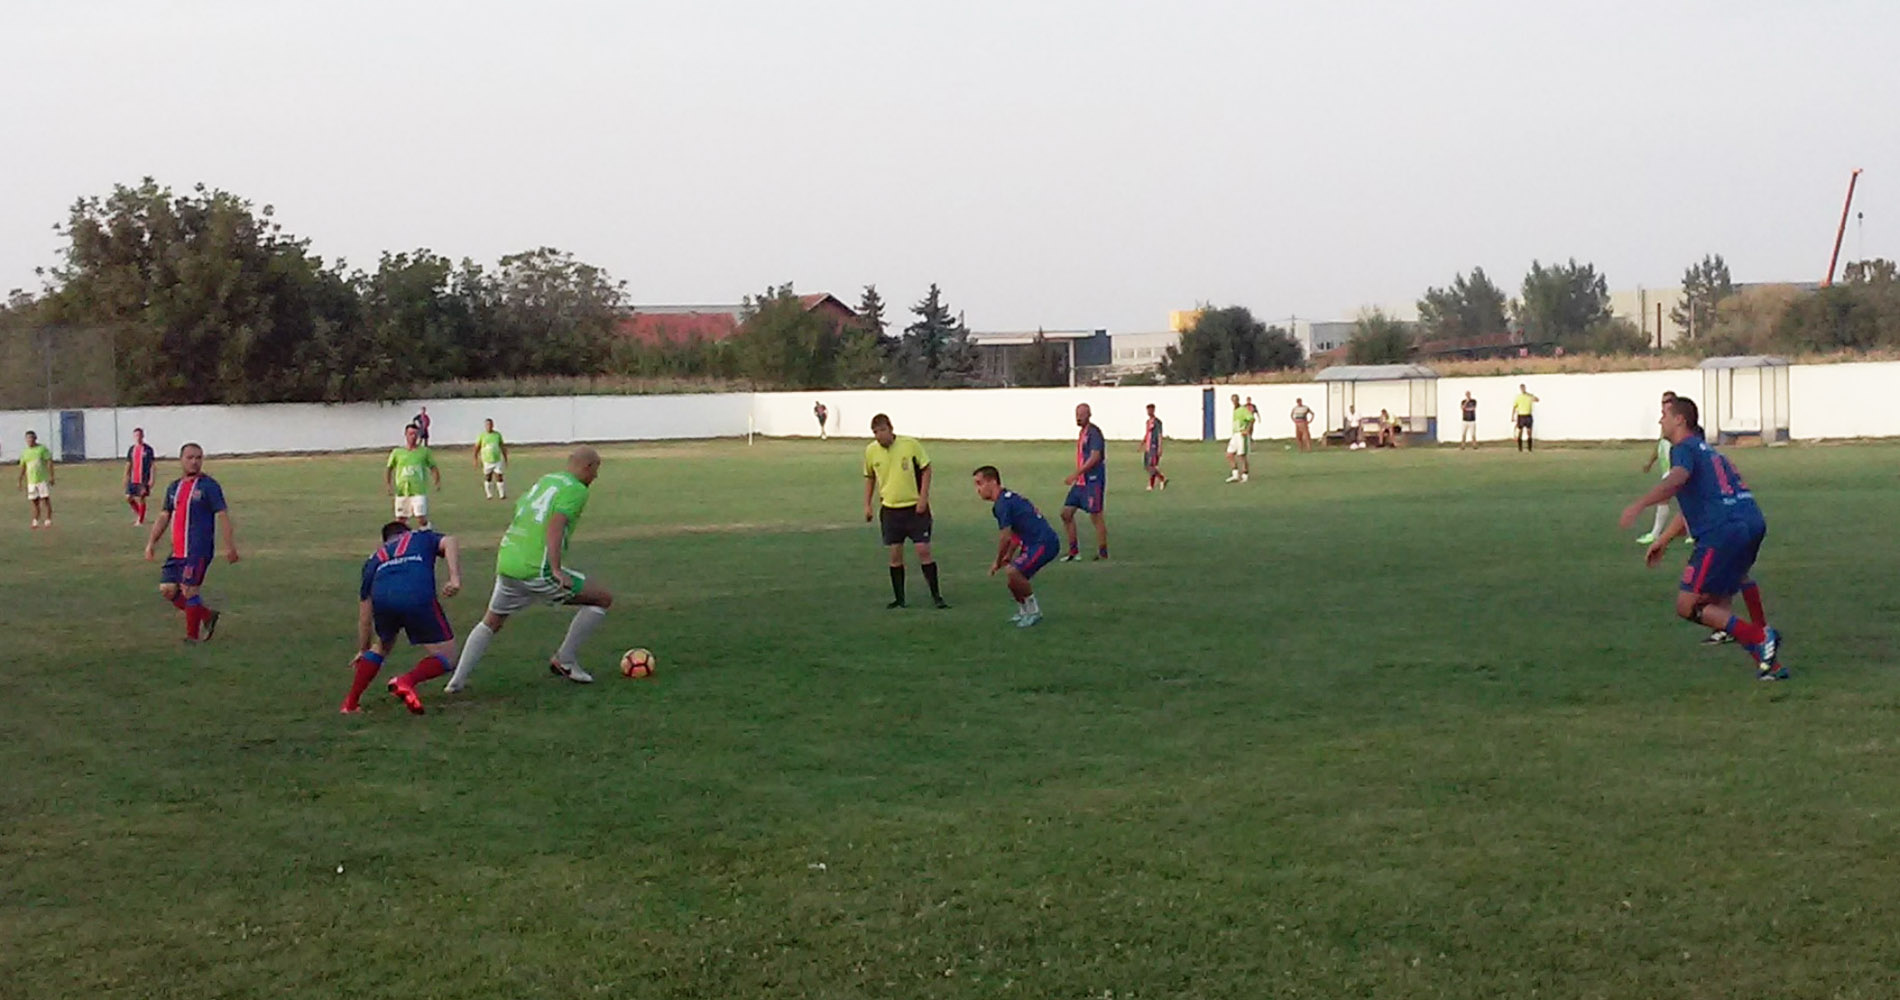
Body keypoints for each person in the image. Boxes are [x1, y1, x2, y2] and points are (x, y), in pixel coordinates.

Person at [1618, 395, 1786, 681]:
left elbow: (1676, 479)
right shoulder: (1709, 452)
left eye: (1664, 415)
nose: (1660, 420)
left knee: (1689, 605)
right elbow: (1697, 505)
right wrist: (1664, 540)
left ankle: (1760, 636)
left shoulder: (1682, 449)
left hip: (1721, 531)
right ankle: (1771, 664)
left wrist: (1640, 504)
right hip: (1750, 521)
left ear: (1679, 420)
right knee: (1729, 587)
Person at [444, 447, 615, 692]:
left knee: (491, 621)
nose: (596, 476)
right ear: (588, 467)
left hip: (508, 560)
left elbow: (521, 507)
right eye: (596, 469)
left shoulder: (548, 480)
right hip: (537, 568)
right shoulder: (577, 489)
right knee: (602, 598)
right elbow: (556, 524)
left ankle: (456, 681)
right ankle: (565, 659)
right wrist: (555, 569)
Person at [343, 521, 464, 715]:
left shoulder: (374, 559)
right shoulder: (421, 536)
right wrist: (454, 578)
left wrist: (363, 649)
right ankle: (405, 681)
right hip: (416, 595)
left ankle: (350, 704)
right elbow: (450, 541)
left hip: (383, 600)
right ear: (406, 532)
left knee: (382, 645)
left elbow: (365, 613)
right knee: (448, 657)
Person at [143, 443, 239, 643]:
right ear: (181, 460)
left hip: (198, 550)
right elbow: (164, 515)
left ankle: (191, 638)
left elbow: (222, 515)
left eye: (198, 457)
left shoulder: (209, 486)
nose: (194, 461)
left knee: (189, 590)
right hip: (178, 549)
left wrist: (229, 546)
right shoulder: (174, 487)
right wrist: (151, 542)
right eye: (190, 457)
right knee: (168, 589)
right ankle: (206, 616)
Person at [862, 414, 947, 608]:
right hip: (890, 510)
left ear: (890, 429)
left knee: (923, 550)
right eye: (875, 432)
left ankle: (936, 596)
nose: (879, 435)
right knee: (895, 555)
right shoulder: (871, 451)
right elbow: (870, 477)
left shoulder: (910, 445)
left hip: (914, 509)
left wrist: (923, 497)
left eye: (882, 430)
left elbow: (926, 468)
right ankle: (899, 599)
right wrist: (867, 504)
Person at [973, 465, 1059, 628]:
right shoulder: (1006, 500)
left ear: (992, 482)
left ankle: (1034, 612)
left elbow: (1005, 537)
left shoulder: (1003, 504)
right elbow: (1015, 534)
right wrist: (1009, 555)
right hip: (1032, 543)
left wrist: (998, 561)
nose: (977, 489)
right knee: (1012, 579)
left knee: (1014, 572)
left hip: (1043, 542)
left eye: (980, 483)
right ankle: (1023, 611)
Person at [1060, 402, 1108, 560]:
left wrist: (1077, 473)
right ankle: (1074, 551)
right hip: (1081, 482)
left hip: (1093, 481)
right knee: (1066, 513)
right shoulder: (1083, 432)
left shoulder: (1094, 433)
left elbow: (1095, 456)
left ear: (1089, 415)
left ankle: (1103, 553)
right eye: (1077, 415)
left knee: (1096, 516)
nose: (1078, 418)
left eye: (1082, 415)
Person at [386, 424, 440, 528]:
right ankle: (404, 537)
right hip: (402, 490)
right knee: (400, 519)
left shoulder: (424, 452)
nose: (413, 436)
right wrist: (388, 485)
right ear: (405, 434)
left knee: (420, 517)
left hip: (418, 490)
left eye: (415, 434)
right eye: (410, 434)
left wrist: (437, 481)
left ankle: (428, 530)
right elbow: (389, 468)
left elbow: (433, 467)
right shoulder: (397, 452)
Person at [19, 430, 53, 529]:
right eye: (27, 439)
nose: (29, 440)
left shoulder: (42, 449)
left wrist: (51, 476)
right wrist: (20, 480)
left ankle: (48, 519)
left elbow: (49, 462)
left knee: (45, 499)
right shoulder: (25, 452)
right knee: (34, 501)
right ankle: (35, 520)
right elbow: (23, 467)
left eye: (31, 438)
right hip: (31, 481)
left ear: (35, 438)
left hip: (42, 479)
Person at [125, 427, 156, 525]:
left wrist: (152, 478)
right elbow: (129, 464)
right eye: (136, 435)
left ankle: (140, 520)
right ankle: (140, 514)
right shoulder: (131, 449)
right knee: (128, 497)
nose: (138, 437)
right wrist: (126, 476)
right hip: (133, 478)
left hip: (143, 479)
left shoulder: (148, 449)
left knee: (141, 497)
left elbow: (152, 465)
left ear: (143, 436)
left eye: (139, 435)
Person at [474, 418, 509, 500]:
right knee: (488, 477)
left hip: (497, 459)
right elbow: (477, 448)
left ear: (493, 425)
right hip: (487, 460)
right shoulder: (482, 436)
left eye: (490, 424)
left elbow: (502, 446)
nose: (489, 426)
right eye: (487, 425)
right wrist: (475, 458)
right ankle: (489, 495)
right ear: (485, 426)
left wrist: (505, 457)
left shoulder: (497, 435)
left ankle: (502, 495)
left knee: (499, 476)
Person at [1225, 393, 1254, 481]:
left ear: (1238, 400)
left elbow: (1251, 419)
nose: (1234, 402)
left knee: (1242, 455)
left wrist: (1247, 430)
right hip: (1235, 434)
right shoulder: (1235, 410)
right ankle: (1235, 474)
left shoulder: (1243, 409)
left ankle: (1245, 475)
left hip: (1241, 435)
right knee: (1229, 454)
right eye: (1233, 400)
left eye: (1235, 400)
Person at [1140, 403, 1167, 491]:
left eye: (1150, 410)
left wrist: (1160, 447)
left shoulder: (1157, 422)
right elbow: (1147, 433)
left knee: (1152, 465)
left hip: (1154, 446)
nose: (1149, 412)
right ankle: (1162, 478)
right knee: (1147, 466)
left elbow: (1159, 434)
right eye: (1148, 410)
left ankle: (1152, 484)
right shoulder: (1148, 422)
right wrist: (1143, 442)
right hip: (1148, 447)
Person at [1512, 384, 1539, 452]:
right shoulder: (1518, 397)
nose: (1523, 389)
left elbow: (1537, 400)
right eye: (1521, 388)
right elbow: (1514, 407)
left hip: (1528, 415)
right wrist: (1512, 416)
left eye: (1523, 388)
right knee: (1520, 432)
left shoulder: (1529, 395)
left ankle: (1529, 448)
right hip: (1521, 416)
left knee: (1529, 432)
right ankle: (1520, 448)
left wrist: (1533, 398)